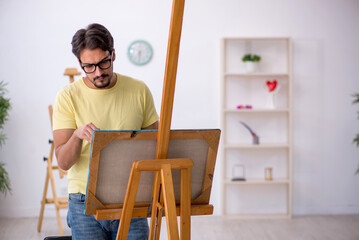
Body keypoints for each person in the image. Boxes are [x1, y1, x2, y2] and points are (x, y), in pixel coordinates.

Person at [53, 23, 159, 240]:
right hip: (84, 201)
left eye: (104, 63)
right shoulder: (67, 97)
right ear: (80, 63)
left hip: (131, 197)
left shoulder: (139, 90)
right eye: (89, 67)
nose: (98, 73)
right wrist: (76, 135)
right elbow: (63, 163)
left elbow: (157, 145)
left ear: (113, 54)